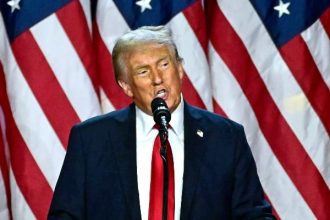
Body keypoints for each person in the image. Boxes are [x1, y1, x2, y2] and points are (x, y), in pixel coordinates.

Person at [48, 26, 275, 220]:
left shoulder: (225, 137)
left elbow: (254, 214)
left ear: (179, 68)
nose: (157, 79)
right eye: (143, 71)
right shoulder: (91, 139)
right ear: (126, 86)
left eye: (164, 65)